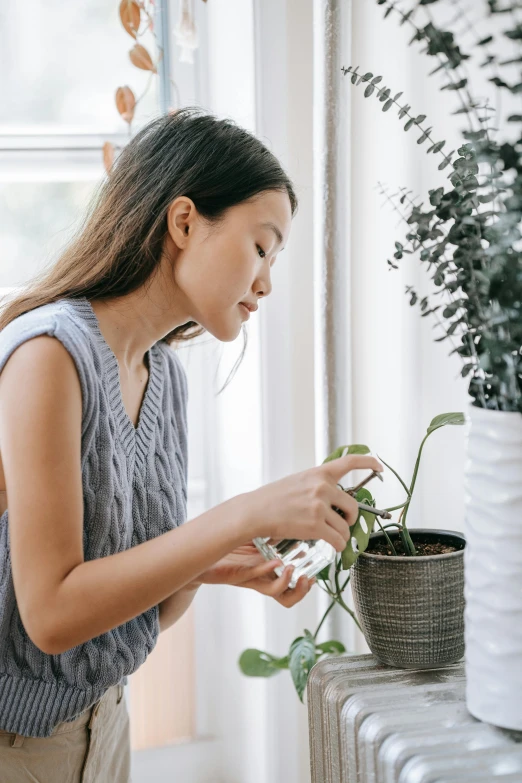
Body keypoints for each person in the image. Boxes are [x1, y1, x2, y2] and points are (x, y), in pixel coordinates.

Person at [0, 107, 382, 782]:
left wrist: (212, 560)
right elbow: (52, 615)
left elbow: (154, 609)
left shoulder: (164, 377)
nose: (265, 281)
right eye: (261, 246)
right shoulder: (49, 356)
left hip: (105, 722)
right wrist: (239, 515)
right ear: (182, 222)